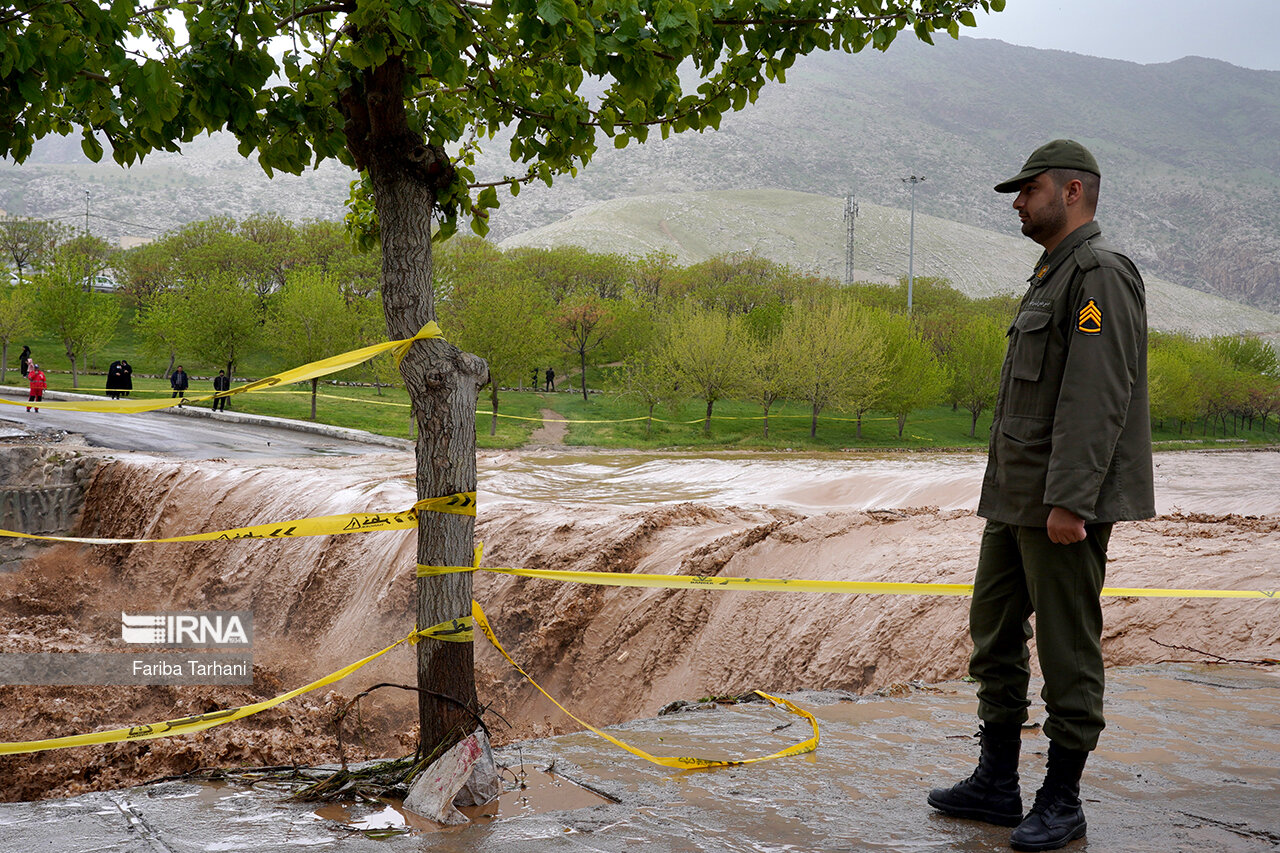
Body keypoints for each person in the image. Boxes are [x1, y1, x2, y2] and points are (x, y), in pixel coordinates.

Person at [927, 140, 1154, 852]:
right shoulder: (1051, 274)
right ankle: (997, 783)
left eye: (1029, 190)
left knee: (1067, 649)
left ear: (1074, 193)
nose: (1019, 203)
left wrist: (1072, 501)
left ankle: (1063, 800)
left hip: (1058, 504)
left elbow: (1095, 397)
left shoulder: (1099, 273)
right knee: (993, 632)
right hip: (1015, 496)